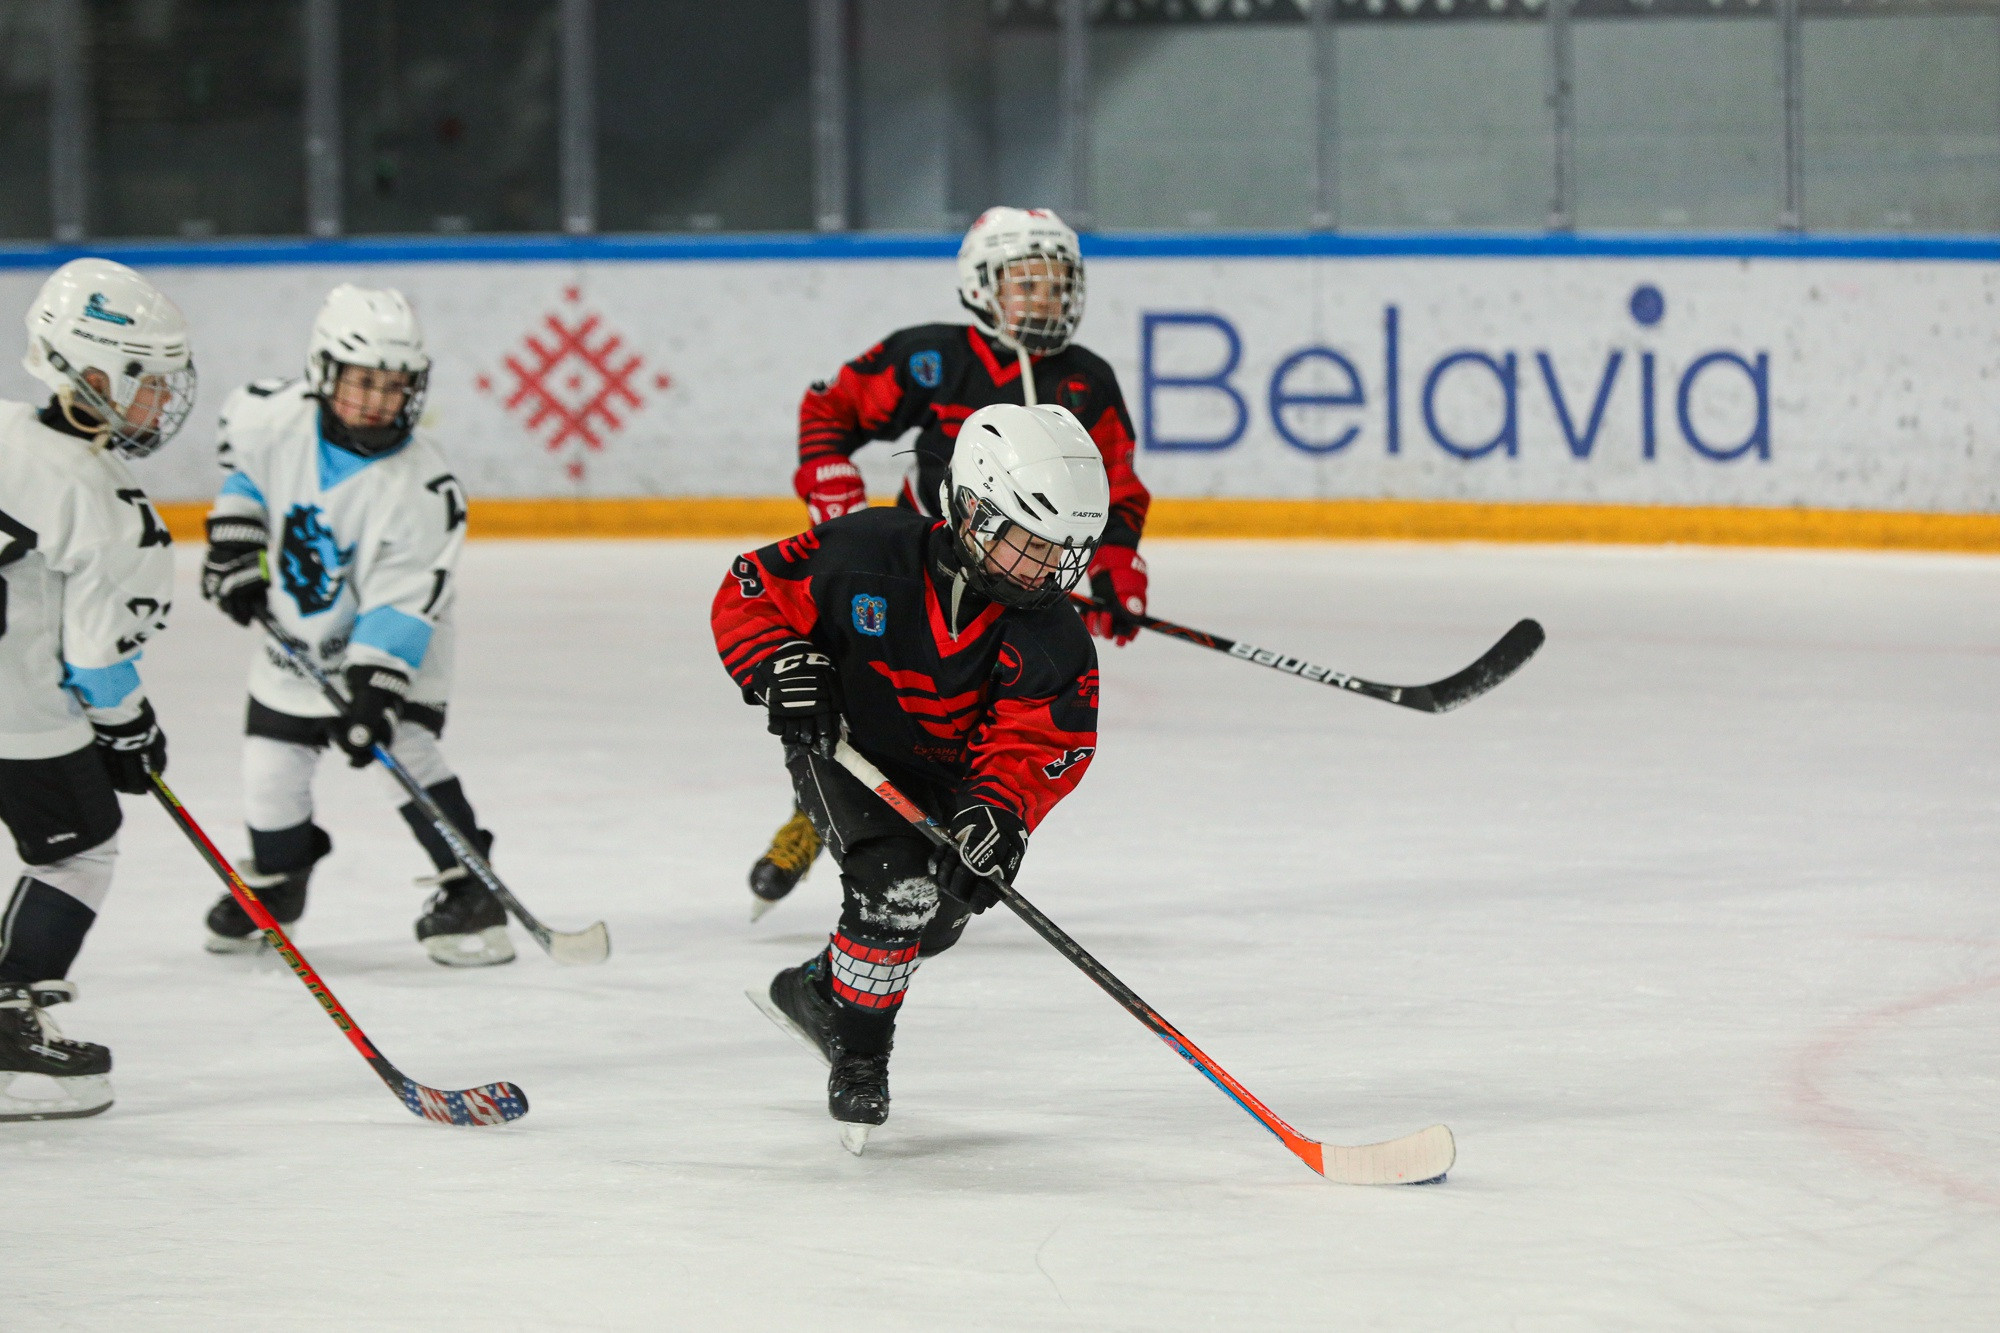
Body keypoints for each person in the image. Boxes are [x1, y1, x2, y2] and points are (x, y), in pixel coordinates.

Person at [715, 401, 1109, 1152]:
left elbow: (1039, 740)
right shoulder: (863, 549)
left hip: (950, 779)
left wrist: (997, 811)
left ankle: (819, 990)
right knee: (894, 884)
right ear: (969, 508)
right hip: (847, 748)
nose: (1045, 570)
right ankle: (860, 1052)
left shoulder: (1051, 635)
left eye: (1061, 551)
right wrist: (782, 665)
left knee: (934, 920)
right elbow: (750, 592)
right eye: (1027, 543)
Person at [747, 205, 1152, 919]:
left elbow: (1114, 480)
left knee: (983, 713)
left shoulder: (1088, 380)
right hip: (917, 573)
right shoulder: (931, 355)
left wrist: (1117, 565)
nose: (1046, 300)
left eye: (1058, 284)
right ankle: (816, 813)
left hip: (1016, 581)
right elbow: (831, 407)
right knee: (867, 701)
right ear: (981, 286)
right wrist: (826, 471)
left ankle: (951, 829)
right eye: (1026, 284)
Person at [198, 284, 512, 967]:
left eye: (394, 384)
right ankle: (279, 883)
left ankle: (473, 890)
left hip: (397, 639)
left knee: (402, 750)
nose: (378, 399)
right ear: (323, 372)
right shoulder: (269, 417)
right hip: (299, 629)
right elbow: (246, 477)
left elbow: (402, 600)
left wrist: (373, 687)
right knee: (268, 771)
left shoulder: (424, 487)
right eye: (363, 381)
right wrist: (233, 545)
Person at [0, 258, 195, 1120]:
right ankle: (6, 1029)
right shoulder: (106, 499)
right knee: (80, 848)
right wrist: (130, 729)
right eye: (146, 382)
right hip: (23, 717)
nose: (160, 401)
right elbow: (95, 659)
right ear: (92, 371)